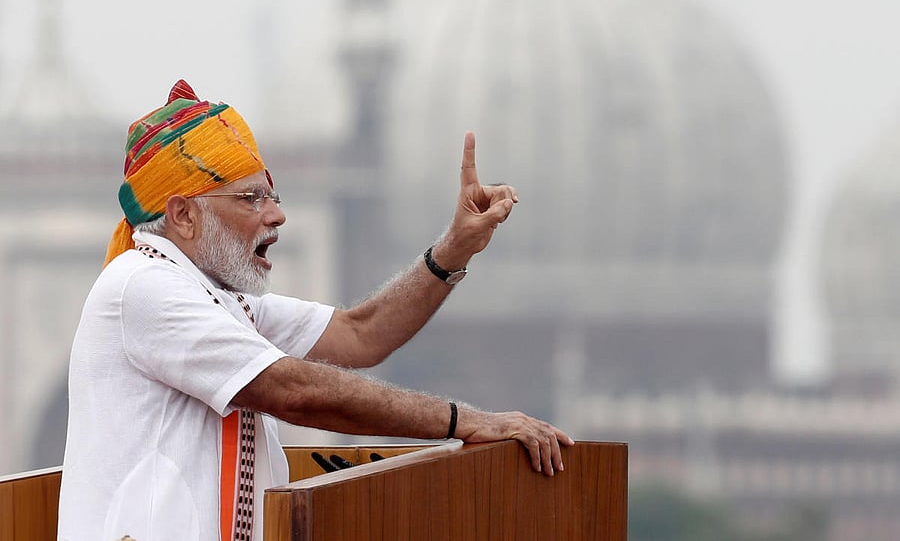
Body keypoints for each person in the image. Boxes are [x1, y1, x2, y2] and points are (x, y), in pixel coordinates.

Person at [57, 80, 574, 541]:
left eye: (272, 195)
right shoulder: (143, 287)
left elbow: (360, 334)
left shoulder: (220, 299)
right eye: (252, 198)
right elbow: (295, 390)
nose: (277, 214)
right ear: (184, 214)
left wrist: (453, 251)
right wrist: (465, 422)